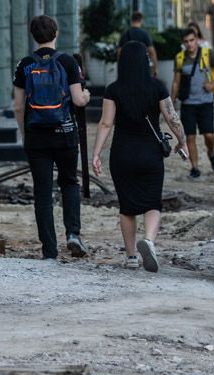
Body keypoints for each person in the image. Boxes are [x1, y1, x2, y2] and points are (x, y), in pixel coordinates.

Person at [92, 41, 187, 272]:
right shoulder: (157, 87)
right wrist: (182, 141)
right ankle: (149, 242)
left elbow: (106, 123)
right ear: (146, 61)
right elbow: (172, 117)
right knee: (153, 203)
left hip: (122, 154)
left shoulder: (113, 89)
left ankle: (132, 257)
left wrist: (96, 153)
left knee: (127, 207)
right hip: (150, 154)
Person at [12, 15, 91, 260]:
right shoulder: (68, 62)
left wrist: (25, 134)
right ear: (56, 33)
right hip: (65, 133)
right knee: (69, 182)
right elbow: (78, 100)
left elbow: (18, 106)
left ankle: (49, 249)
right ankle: (73, 234)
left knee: (42, 192)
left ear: (33, 36)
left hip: (37, 137)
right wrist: (87, 95)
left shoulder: (24, 64)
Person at [170, 27, 214, 178]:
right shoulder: (180, 58)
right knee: (190, 137)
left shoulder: (208, 54)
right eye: (186, 41)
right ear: (183, 43)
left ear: (197, 40)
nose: (189, 44)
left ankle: (211, 152)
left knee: (209, 135)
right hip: (188, 103)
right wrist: (171, 102)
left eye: (192, 40)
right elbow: (176, 82)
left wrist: (213, 85)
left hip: (206, 102)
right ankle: (195, 167)